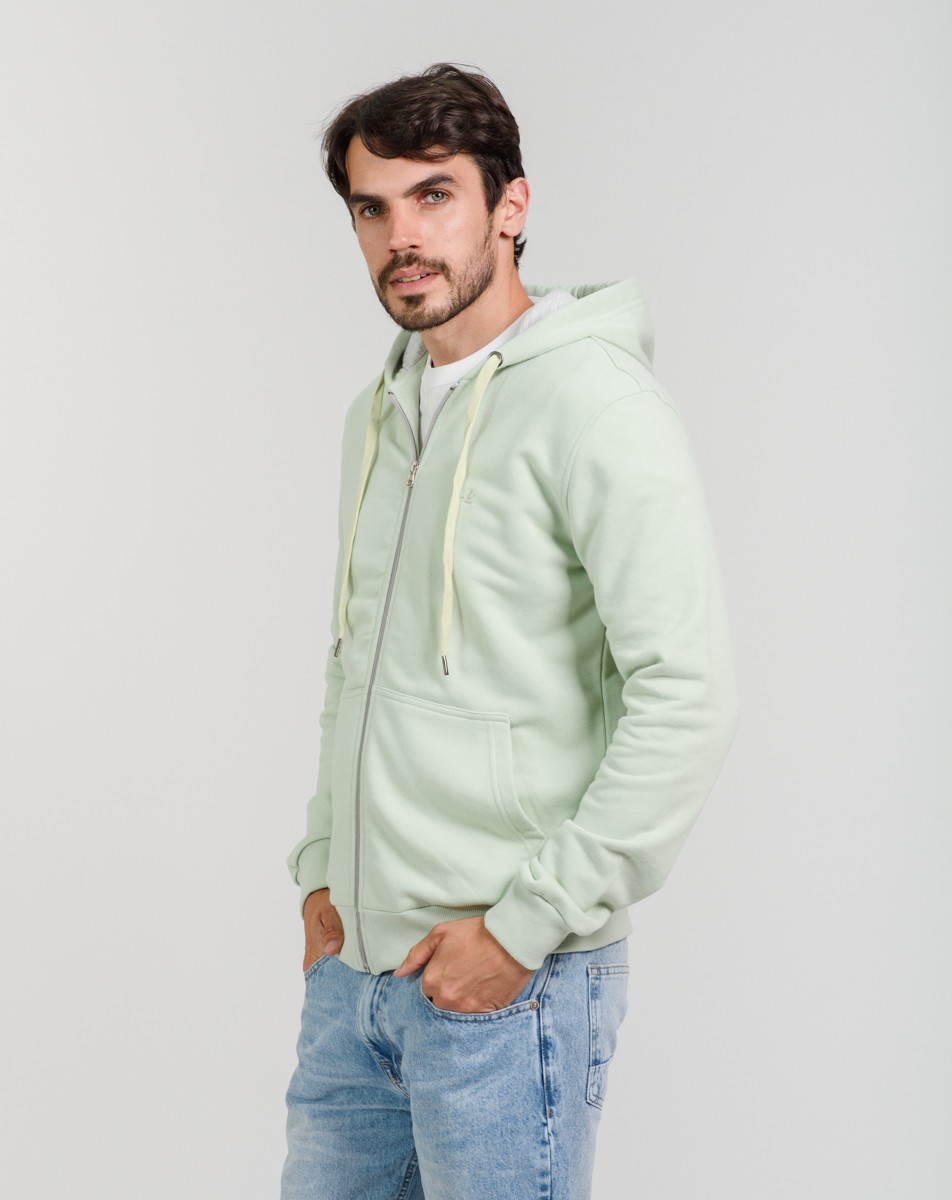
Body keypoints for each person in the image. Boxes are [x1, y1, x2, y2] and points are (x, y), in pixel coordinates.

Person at [281, 63, 739, 1200]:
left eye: (434, 195)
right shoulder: (377, 414)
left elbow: (685, 696)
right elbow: (354, 665)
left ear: (509, 205)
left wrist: (524, 927)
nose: (401, 237)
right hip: (355, 984)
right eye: (372, 208)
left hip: (506, 985)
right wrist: (322, 871)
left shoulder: (596, 405)